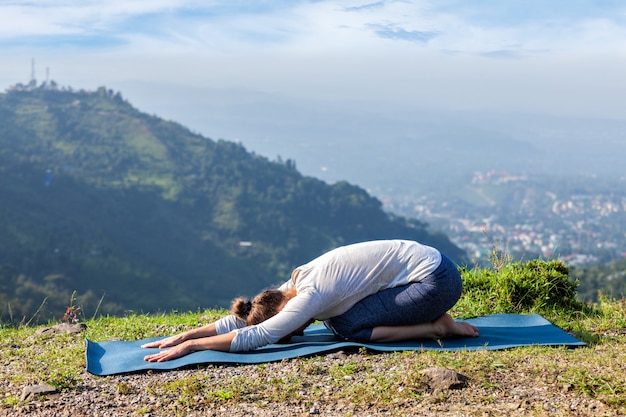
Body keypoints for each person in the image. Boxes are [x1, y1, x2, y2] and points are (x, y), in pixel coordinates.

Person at [143, 239, 478, 362]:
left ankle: (438, 325)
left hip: (436, 282)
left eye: (291, 330)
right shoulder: (296, 280)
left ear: (286, 312)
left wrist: (193, 348)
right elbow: (247, 321)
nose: (297, 333)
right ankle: (435, 322)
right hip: (429, 262)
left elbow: (257, 335)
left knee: (347, 327)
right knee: (338, 318)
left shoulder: (309, 296)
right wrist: (187, 334)